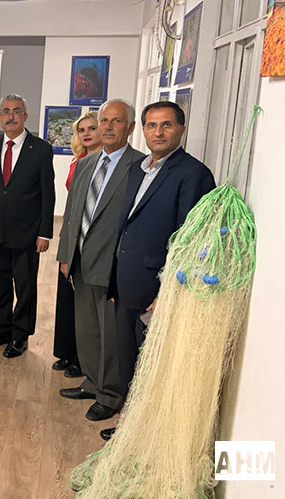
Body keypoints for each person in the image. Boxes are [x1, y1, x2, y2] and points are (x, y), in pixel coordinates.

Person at [99, 101, 215, 441]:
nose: (158, 132)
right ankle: (130, 429)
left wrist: (167, 290)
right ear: (143, 130)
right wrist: (115, 279)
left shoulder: (193, 174)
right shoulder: (139, 169)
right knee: (129, 360)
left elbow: (190, 240)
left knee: (153, 366)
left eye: (166, 125)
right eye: (152, 125)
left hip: (157, 290)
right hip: (127, 282)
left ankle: (146, 436)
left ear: (181, 129)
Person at [56, 99, 144, 422]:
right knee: (87, 330)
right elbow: (72, 214)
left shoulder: (140, 167)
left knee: (110, 336)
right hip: (80, 262)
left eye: (116, 121)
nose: (108, 127)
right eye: (104, 120)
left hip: (112, 267)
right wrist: (65, 255)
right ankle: (92, 382)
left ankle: (110, 395)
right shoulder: (85, 164)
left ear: (130, 128)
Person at [0, 93, 55, 358]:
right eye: (6, 111)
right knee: (0, 284)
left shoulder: (40, 149)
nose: (11, 116)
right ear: (0, 116)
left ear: (25, 116)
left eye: (16, 111)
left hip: (27, 232)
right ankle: (3, 329)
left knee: (25, 286)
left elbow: (48, 194)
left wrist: (45, 233)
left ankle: (20, 335)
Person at [52, 111, 101, 378]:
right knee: (67, 297)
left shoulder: (106, 164)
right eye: (81, 130)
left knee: (85, 304)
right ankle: (66, 352)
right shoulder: (77, 160)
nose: (86, 134)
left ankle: (83, 361)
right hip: (70, 233)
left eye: (91, 128)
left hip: (91, 237)